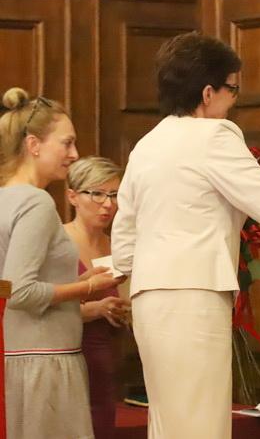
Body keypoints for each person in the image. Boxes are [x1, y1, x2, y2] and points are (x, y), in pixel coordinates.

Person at [111, 32, 260, 439]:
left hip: (148, 297)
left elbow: (123, 241)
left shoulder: (146, 144)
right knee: (201, 422)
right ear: (208, 93)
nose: (233, 100)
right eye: (232, 89)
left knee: (168, 421)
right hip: (195, 293)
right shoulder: (214, 135)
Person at [0, 88, 122, 439]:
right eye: (67, 143)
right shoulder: (35, 203)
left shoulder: (6, 198)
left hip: (21, 354)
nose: (75, 154)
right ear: (34, 145)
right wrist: (90, 286)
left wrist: (81, 285)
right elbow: (19, 292)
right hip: (46, 359)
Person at [64, 156, 131, 439]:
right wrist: (96, 309)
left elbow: (124, 300)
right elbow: (37, 304)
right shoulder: (58, 242)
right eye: (97, 194)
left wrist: (124, 311)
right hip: (67, 356)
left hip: (107, 359)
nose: (108, 204)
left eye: (114, 195)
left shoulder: (118, 246)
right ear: (73, 196)